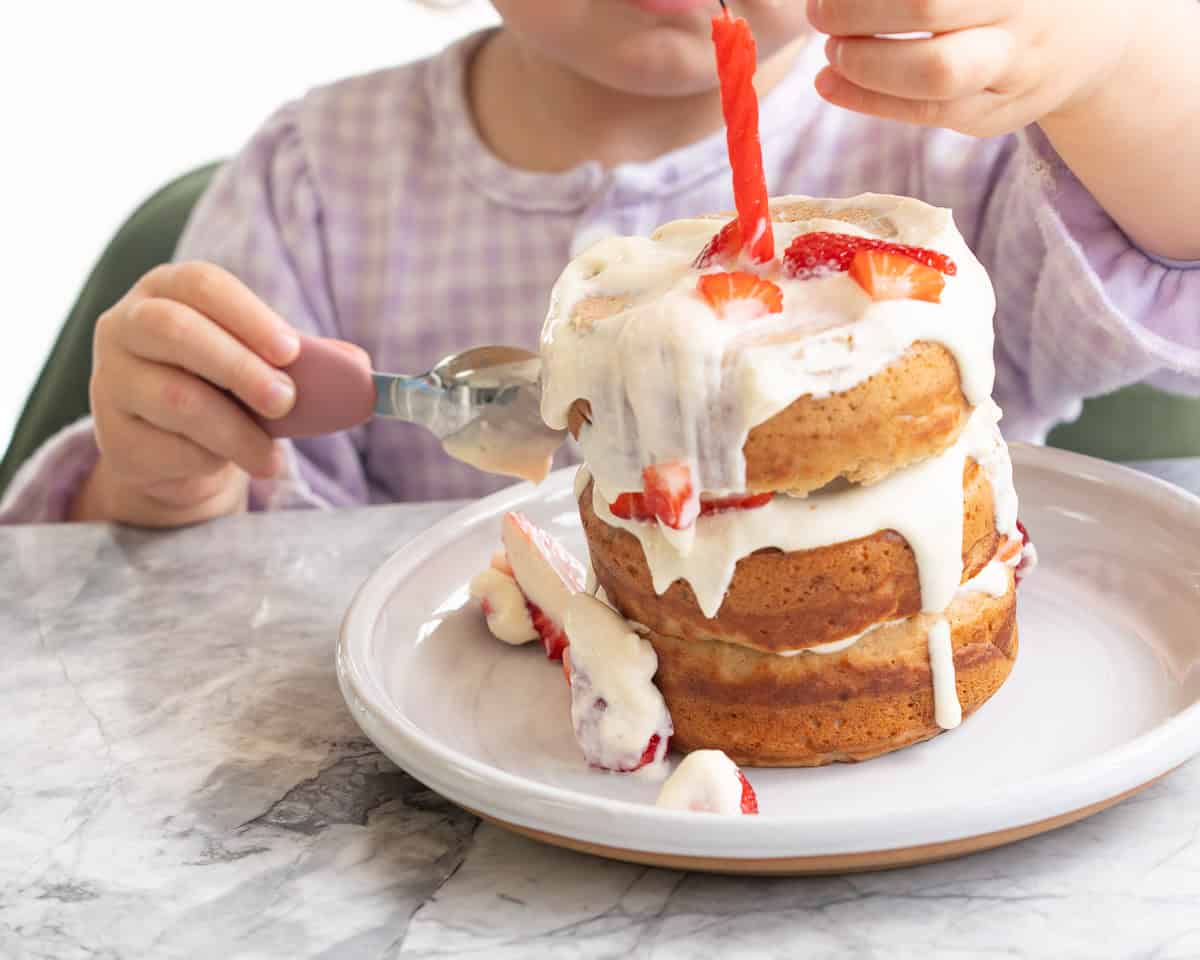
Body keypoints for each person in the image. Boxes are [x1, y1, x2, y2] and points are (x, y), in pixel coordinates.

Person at [3, 0, 1198, 527]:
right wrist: (166, 486)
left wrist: (1114, 58)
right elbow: (228, 590)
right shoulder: (314, 181)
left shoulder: (964, 146)